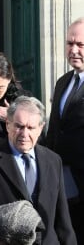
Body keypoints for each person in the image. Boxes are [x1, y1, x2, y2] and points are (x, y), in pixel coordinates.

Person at [0, 96, 77, 244]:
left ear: (41, 128)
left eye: (30, 128)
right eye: (19, 126)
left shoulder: (53, 160)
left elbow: (63, 221)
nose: (24, 134)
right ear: (8, 125)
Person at [46, 17, 84, 244]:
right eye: (70, 43)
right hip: (61, 176)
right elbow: (55, 129)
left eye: (81, 45)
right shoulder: (63, 82)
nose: (74, 50)